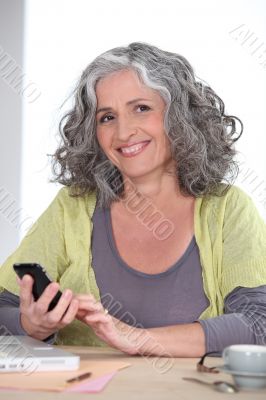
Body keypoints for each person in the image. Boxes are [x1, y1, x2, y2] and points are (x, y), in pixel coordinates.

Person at [0, 42, 266, 358]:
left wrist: (135, 338)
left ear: (179, 117)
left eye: (141, 108)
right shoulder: (71, 208)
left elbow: (258, 326)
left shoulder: (227, 209)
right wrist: (33, 326)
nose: (123, 132)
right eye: (107, 117)